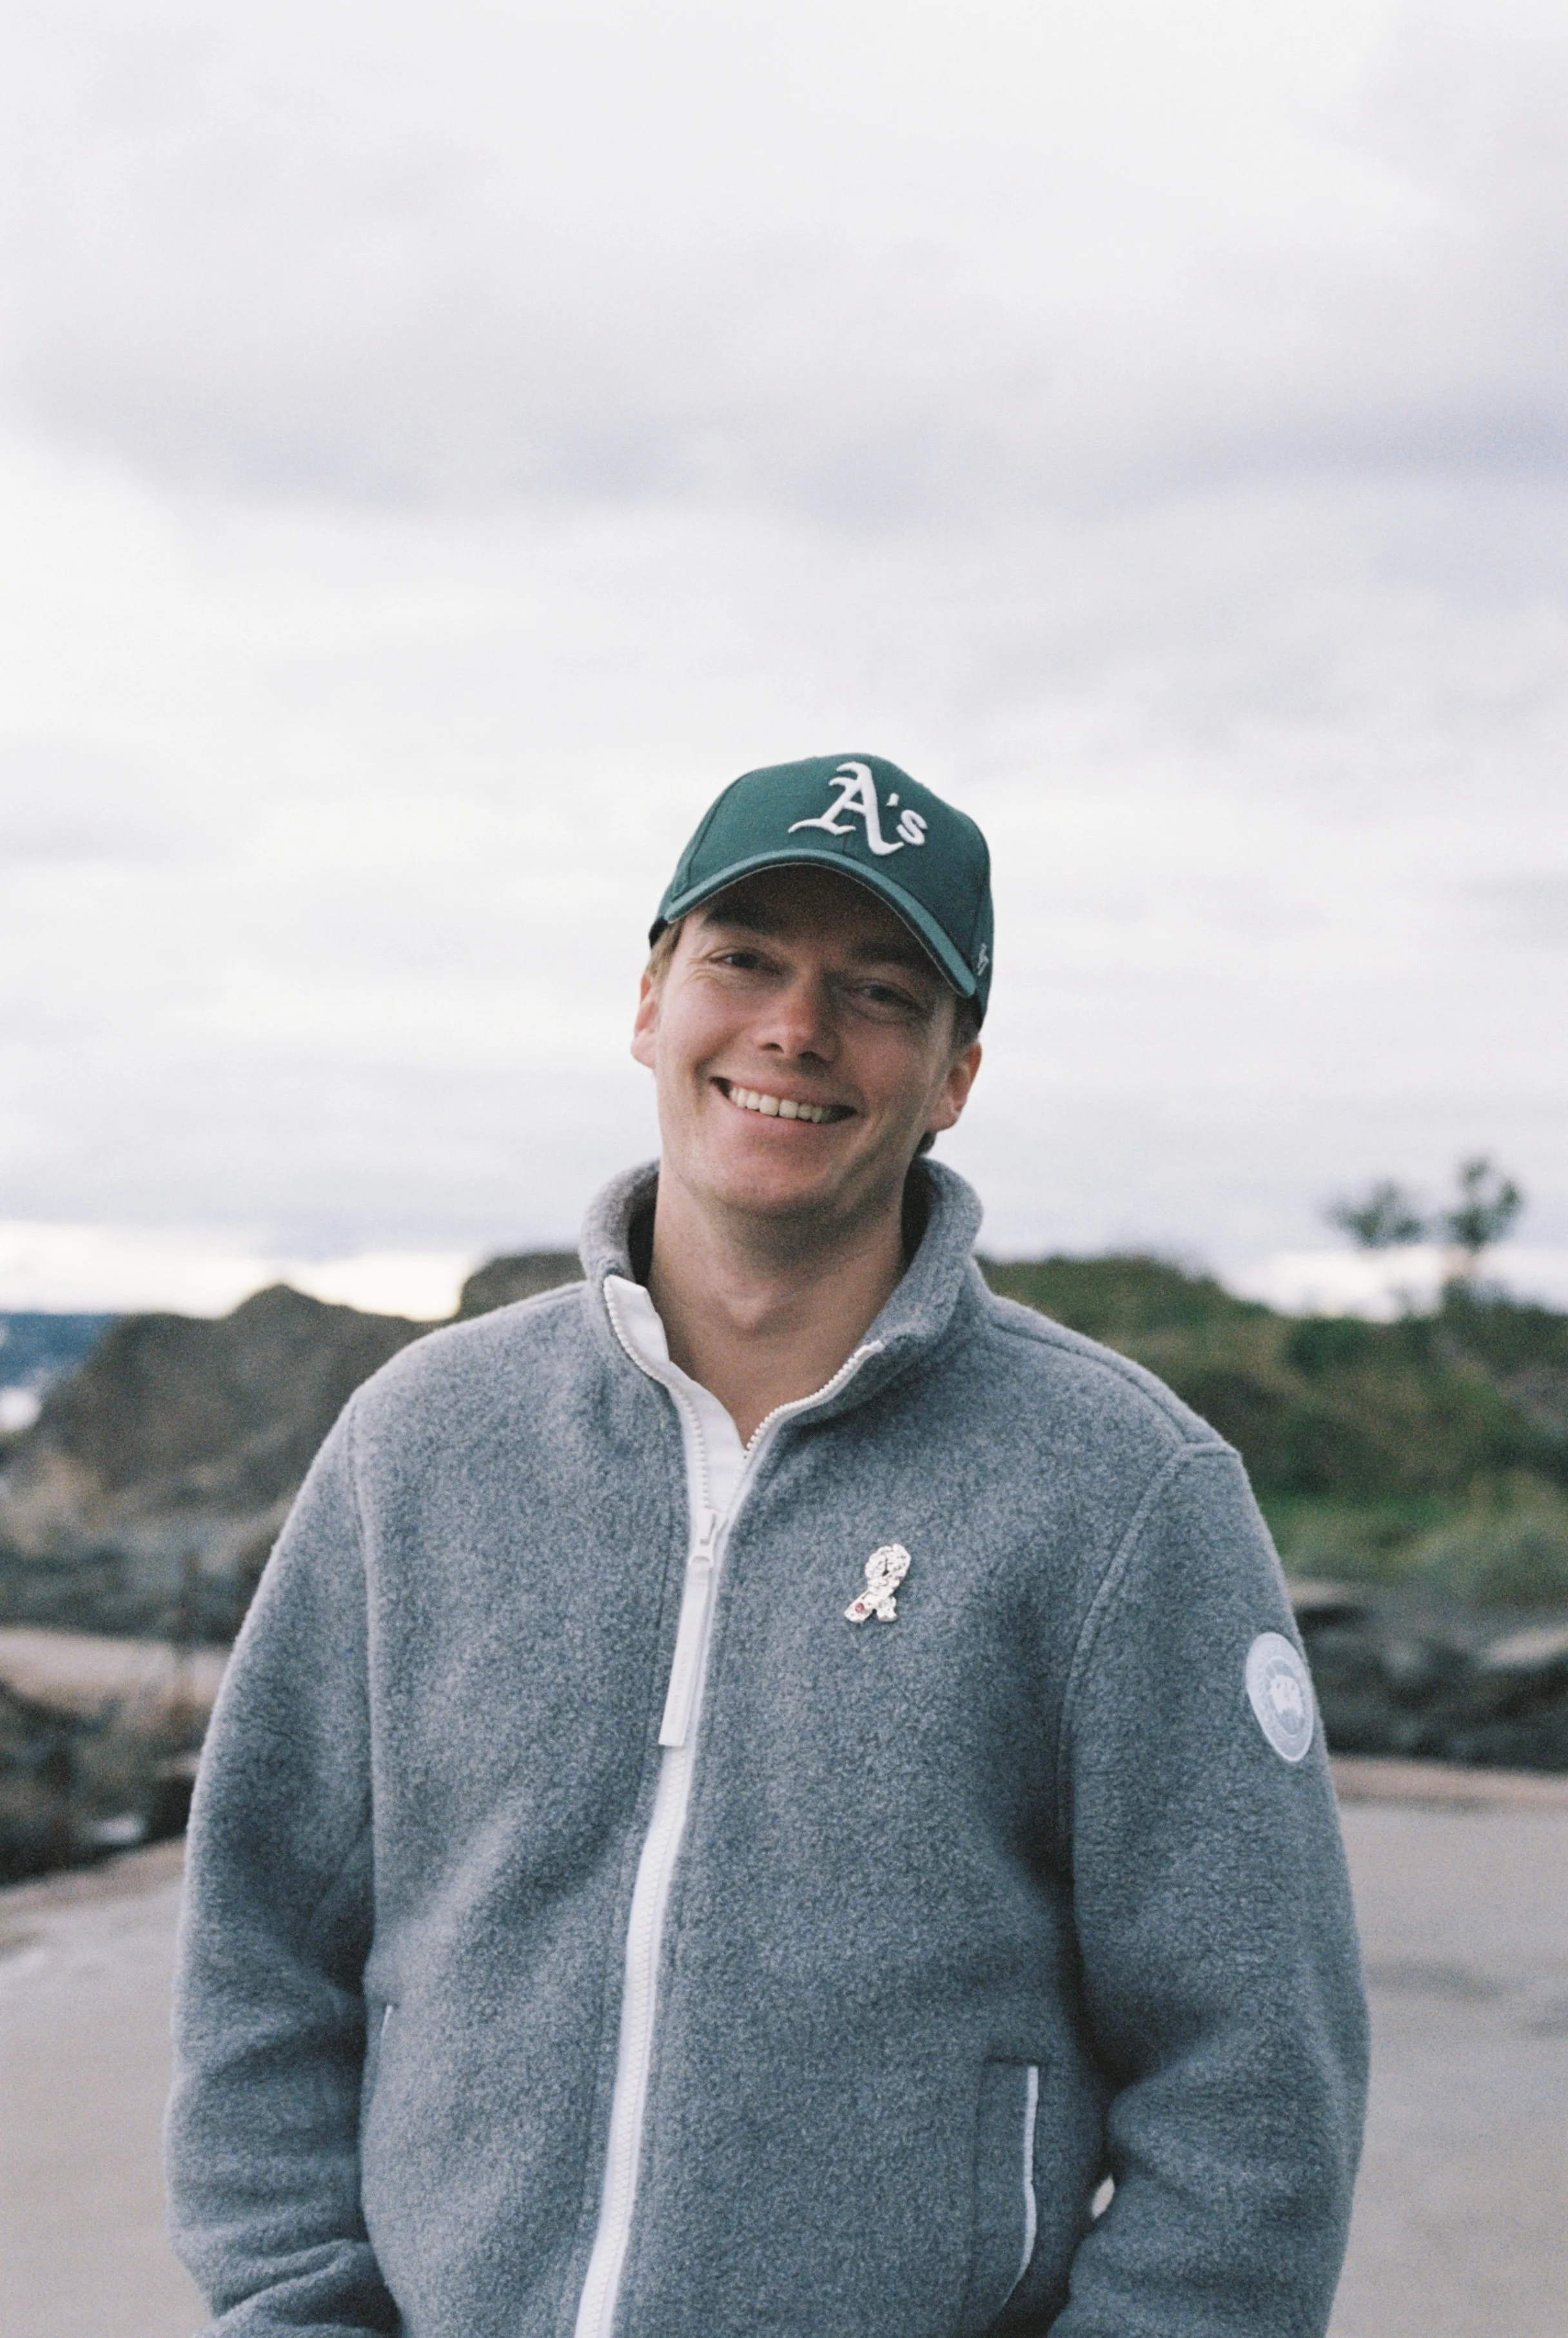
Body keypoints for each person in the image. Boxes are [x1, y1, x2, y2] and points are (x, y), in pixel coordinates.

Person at [167, 752, 1368, 2338]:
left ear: (955, 1075)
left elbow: (1256, 2081)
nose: (796, 1029)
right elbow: (261, 1953)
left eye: (879, 989)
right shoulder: (423, 1445)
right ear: (651, 999)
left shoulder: (1121, 1492)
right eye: (744, 959)